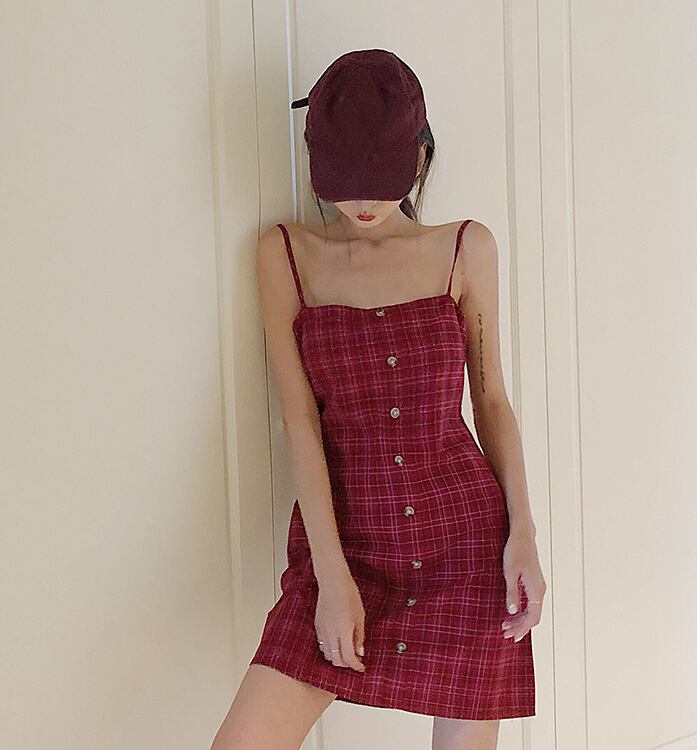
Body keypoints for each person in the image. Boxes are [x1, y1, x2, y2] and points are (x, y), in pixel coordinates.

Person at [211, 48, 546, 750]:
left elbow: (491, 401)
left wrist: (524, 533)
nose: (361, 204)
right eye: (344, 181)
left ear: (419, 157)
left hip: (465, 547)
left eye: (380, 180)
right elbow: (300, 423)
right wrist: (331, 576)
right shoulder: (285, 255)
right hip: (345, 543)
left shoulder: (466, 249)